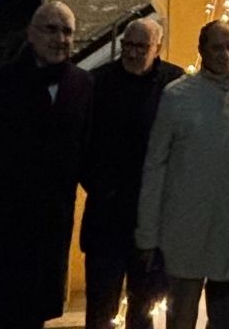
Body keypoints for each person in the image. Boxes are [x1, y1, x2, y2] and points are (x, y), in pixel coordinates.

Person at [0, 1, 93, 329]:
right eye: (51, 29)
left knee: (31, 316)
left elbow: (86, 147)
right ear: (31, 34)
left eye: (67, 31)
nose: (60, 38)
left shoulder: (83, 84)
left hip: (48, 223)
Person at [137, 20, 229, 329]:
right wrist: (147, 232)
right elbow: (156, 164)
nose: (224, 54)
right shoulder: (177, 96)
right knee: (181, 317)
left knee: (225, 320)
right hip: (183, 230)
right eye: (216, 47)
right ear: (202, 50)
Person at [82, 17, 182, 329]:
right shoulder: (97, 82)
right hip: (107, 216)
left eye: (141, 46)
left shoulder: (175, 85)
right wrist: (100, 186)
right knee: (101, 307)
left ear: (158, 48)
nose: (133, 52)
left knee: (145, 307)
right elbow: (83, 143)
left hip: (154, 220)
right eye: (128, 45)